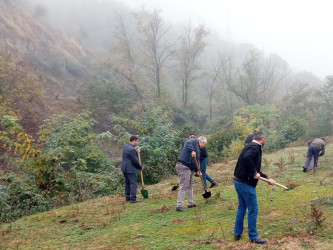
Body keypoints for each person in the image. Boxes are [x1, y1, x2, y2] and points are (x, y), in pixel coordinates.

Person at [233, 131, 275, 244]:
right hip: (245, 184)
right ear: (263, 139)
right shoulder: (255, 147)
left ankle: (237, 233)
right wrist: (254, 172)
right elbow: (247, 159)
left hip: (238, 181)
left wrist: (267, 178)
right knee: (253, 209)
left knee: (242, 207)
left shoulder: (248, 146)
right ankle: (253, 237)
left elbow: (254, 167)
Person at [175, 136, 207, 212]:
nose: (204, 146)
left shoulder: (198, 150)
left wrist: (197, 171)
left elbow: (195, 161)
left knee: (190, 185)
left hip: (189, 168)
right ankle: (179, 206)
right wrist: (192, 151)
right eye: (204, 144)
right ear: (202, 142)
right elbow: (186, 142)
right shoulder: (194, 141)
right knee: (184, 185)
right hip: (183, 166)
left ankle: (190, 203)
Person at [121, 136, 143, 203]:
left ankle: (127, 198)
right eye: (137, 141)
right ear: (134, 141)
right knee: (133, 183)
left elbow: (130, 155)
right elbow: (135, 161)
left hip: (125, 168)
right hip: (130, 169)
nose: (138, 142)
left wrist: (136, 152)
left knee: (127, 183)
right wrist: (140, 167)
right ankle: (133, 199)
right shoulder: (132, 149)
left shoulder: (126, 146)